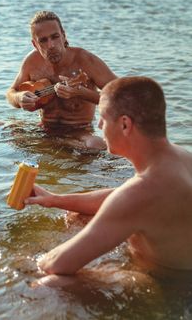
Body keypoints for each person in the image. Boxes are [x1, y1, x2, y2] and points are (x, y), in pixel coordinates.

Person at [25, 77, 192, 281]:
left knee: (49, 283)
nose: (99, 124)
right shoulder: (180, 158)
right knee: (77, 215)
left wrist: (26, 263)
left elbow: (55, 265)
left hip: (167, 285)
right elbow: (122, 197)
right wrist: (55, 200)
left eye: (103, 117)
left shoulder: (142, 191)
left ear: (124, 124)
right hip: (176, 260)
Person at [0, 11, 117, 149]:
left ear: (64, 36)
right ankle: (54, 145)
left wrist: (81, 93)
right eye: (43, 40)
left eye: (55, 37)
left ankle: (51, 145)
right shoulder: (32, 61)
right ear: (35, 44)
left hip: (78, 133)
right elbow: (11, 92)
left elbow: (123, 98)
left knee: (95, 145)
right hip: (42, 129)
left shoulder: (86, 60)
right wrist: (19, 98)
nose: (51, 45)